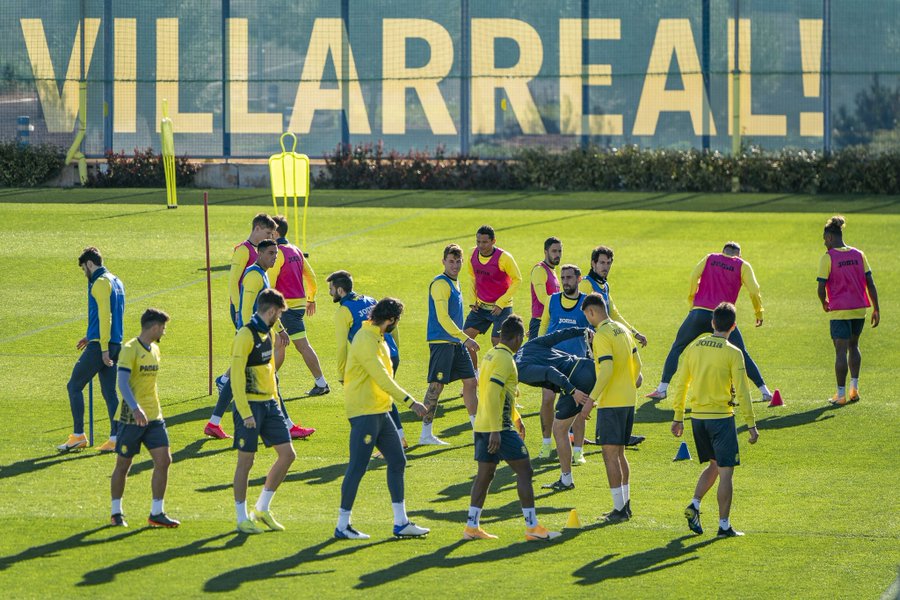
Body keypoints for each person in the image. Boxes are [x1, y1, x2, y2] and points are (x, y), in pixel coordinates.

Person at [334, 298, 430, 540]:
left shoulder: (378, 337)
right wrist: (411, 402)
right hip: (364, 412)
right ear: (392, 320)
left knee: (397, 461)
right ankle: (342, 525)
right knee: (357, 466)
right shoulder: (366, 339)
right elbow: (382, 378)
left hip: (380, 411)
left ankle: (401, 523)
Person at [465, 314, 561, 542]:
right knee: (525, 472)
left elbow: (497, 392)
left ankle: (471, 527)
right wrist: (499, 429)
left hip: (483, 424)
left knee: (485, 475)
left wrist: (516, 417)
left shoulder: (491, 355)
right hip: (498, 427)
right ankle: (532, 528)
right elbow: (493, 393)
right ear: (518, 338)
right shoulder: (506, 360)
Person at [669, 302, 759, 538]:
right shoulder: (733, 352)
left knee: (714, 465)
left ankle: (695, 505)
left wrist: (678, 417)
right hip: (721, 419)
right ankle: (724, 525)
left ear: (712, 323)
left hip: (697, 419)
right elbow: (743, 391)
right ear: (733, 326)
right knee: (726, 472)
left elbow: (681, 384)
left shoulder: (694, 347)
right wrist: (751, 424)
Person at [206, 241, 308, 440]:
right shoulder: (254, 276)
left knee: (239, 380)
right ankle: (288, 426)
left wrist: (280, 329)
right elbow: (246, 308)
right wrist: (249, 336)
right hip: (251, 337)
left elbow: (267, 307)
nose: (274, 257)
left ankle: (213, 423)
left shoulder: (262, 274)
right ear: (260, 254)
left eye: (276, 253)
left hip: (256, 335)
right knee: (271, 379)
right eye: (270, 253)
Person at [647, 242, 774, 402]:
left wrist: (692, 299)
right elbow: (754, 290)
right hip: (723, 315)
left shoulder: (710, 258)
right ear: (739, 255)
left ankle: (662, 389)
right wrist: (758, 312)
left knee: (677, 347)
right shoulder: (743, 265)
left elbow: (693, 276)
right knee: (741, 353)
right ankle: (765, 392)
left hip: (699, 313)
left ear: (723, 252)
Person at [231, 289, 296, 534]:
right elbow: (236, 376)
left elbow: (270, 370)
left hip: (269, 404)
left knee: (288, 454)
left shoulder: (267, 332)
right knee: (246, 461)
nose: (278, 319)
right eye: (278, 314)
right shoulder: (245, 335)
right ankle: (241, 517)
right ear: (270, 311)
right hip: (249, 406)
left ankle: (261, 508)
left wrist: (276, 400)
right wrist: (245, 412)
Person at [110, 308, 179, 528]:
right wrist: (135, 408)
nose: (164, 332)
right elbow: (121, 383)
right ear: (154, 326)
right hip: (131, 418)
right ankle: (116, 512)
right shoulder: (129, 349)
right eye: (163, 328)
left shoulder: (155, 350)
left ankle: (156, 512)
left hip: (154, 417)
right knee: (123, 465)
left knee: (164, 460)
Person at [577, 294, 643, 523]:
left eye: (587, 315)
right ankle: (625, 506)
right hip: (628, 400)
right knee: (620, 453)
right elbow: (639, 367)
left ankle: (619, 509)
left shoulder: (602, 335)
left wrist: (590, 401)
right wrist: (629, 382)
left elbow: (605, 370)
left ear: (592, 312)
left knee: (609, 455)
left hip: (612, 402)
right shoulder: (622, 330)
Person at [328, 270, 407, 449]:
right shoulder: (370, 300)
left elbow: (341, 347)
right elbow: (393, 328)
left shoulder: (343, 311)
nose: (330, 293)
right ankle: (397, 439)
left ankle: (395, 441)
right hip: (390, 354)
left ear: (340, 290)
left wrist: (341, 373)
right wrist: (394, 350)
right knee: (382, 396)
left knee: (378, 401)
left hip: (372, 358)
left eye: (331, 289)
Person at [59, 246, 126, 453]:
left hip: (101, 346)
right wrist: (92, 335)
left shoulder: (99, 283)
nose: (84, 274)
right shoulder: (117, 281)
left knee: (74, 385)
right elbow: (115, 315)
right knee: (109, 392)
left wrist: (102, 347)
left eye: (83, 269)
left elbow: (106, 316)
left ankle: (78, 436)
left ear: (89, 264)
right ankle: (116, 437)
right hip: (115, 343)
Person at [817, 216, 880, 405]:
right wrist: (876, 308)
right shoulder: (859, 254)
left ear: (829, 237)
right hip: (859, 309)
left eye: (824, 239)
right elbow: (870, 282)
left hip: (840, 311)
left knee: (840, 351)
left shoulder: (828, 258)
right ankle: (854, 389)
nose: (824, 243)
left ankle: (841, 395)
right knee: (854, 346)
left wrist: (824, 302)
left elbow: (820, 289)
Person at [422, 244, 480, 445]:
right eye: (451, 261)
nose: (455, 265)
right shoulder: (440, 284)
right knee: (436, 386)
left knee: (471, 382)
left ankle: (477, 430)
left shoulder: (455, 283)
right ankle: (425, 434)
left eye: (458, 261)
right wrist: (466, 338)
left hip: (455, 342)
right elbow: (443, 318)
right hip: (442, 342)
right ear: (443, 262)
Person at [270, 214, 330, 397]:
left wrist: (266, 301)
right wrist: (311, 298)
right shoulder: (295, 250)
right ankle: (269, 380)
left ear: (275, 232)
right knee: (279, 342)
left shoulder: (277, 253)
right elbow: (311, 277)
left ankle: (321, 383)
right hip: (298, 304)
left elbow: (269, 282)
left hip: (286, 307)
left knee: (300, 345)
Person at [536, 264, 590, 463]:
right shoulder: (552, 300)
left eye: (569, 277)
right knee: (548, 399)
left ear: (578, 279)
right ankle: (546, 444)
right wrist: (538, 350)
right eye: (563, 277)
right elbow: (544, 325)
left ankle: (578, 452)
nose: (565, 281)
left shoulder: (586, 303)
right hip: (551, 362)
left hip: (576, 364)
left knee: (577, 406)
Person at [463, 225, 522, 371]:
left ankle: (506, 374)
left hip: (501, 309)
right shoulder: (472, 254)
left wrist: (501, 303)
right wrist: (472, 300)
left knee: (498, 343)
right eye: (478, 242)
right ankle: (474, 375)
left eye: (484, 242)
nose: (480, 246)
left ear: (493, 241)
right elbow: (472, 277)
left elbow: (517, 279)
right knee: (465, 339)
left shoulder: (504, 258)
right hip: (481, 307)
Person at [579, 245, 648, 348]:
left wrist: (635, 333)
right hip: (588, 343)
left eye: (608, 263)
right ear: (593, 263)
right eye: (602, 263)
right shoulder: (586, 284)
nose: (605, 267)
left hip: (602, 339)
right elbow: (579, 315)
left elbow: (613, 314)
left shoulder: (605, 286)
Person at [227, 213, 277, 331]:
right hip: (243, 307)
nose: (270, 237)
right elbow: (233, 282)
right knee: (247, 343)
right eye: (268, 233)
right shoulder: (243, 250)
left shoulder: (260, 250)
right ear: (257, 229)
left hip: (257, 306)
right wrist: (238, 309)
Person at [529, 237, 561, 340]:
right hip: (540, 322)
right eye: (554, 251)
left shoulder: (553, 271)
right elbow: (542, 298)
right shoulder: (540, 270)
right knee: (535, 355)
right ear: (545, 252)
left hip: (551, 321)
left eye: (560, 251)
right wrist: (561, 306)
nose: (558, 254)